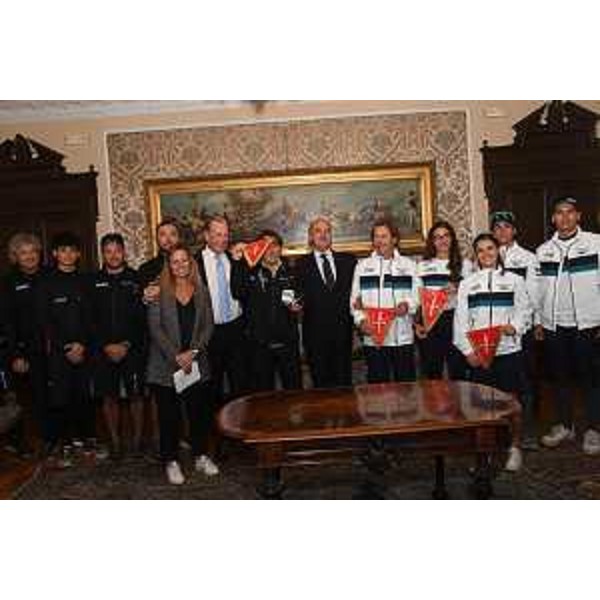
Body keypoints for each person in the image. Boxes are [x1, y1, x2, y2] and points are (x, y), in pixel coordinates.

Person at [453, 233, 530, 472]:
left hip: (508, 351)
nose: (486, 254)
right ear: (475, 256)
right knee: (482, 406)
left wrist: (514, 327)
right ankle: (486, 452)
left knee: (512, 403)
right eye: (481, 250)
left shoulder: (515, 280)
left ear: (498, 251)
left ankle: (514, 448)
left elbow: (524, 311)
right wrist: (468, 351)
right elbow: (460, 321)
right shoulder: (467, 284)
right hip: (480, 355)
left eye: (490, 248)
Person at [146, 244, 216, 485]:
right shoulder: (158, 291)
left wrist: (193, 353)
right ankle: (171, 461)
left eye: (184, 260)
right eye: (175, 261)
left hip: (196, 363)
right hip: (165, 365)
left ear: (191, 263)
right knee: (169, 417)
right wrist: (176, 356)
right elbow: (155, 328)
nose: (180, 265)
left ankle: (200, 456)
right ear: (169, 265)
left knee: (198, 414)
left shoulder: (202, 291)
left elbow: (208, 326)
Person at [535, 197, 600, 455]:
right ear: (553, 218)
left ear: (578, 216)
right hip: (554, 326)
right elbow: (537, 291)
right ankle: (565, 425)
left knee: (590, 379)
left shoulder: (595, 243)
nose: (565, 217)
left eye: (569, 212)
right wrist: (539, 321)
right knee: (559, 378)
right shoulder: (543, 251)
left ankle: (594, 430)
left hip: (588, 324)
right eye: (559, 213)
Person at [35, 232, 98, 466]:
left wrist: (82, 345)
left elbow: (92, 318)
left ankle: (87, 441)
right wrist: (66, 347)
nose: (68, 254)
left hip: (85, 351)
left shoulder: (87, 281)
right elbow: (45, 322)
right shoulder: (46, 283)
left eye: (72, 250)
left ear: (78, 254)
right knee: (61, 399)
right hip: (59, 354)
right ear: (55, 254)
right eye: (63, 250)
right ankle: (66, 444)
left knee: (85, 397)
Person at [90, 233, 146, 458]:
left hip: (132, 349)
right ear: (102, 253)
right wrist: (105, 345)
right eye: (108, 251)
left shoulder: (136, 279)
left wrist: (126, 344)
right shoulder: (93, 281)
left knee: (136, 396)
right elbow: (89, 319)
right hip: (103, 351)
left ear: (124, 252)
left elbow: (143, 317)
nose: (113, 255)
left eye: (117, 250)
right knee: (109, 397)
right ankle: (114, 443)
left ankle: (137, 443)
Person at [491, 210, 541, 448]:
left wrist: (531, 323)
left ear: (515, 230)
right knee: (498, 384)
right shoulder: (485, 255)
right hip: (494, 332)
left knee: (525, 382)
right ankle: (503, 431)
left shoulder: (529, 258)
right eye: (497, 227)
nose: (502, 231)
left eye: (507, 227)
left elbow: (533, 296)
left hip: (521, 330)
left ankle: (528, 431)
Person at [230, 230, 302, 391]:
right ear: (259, 249)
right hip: (259, 347)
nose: (270, 249)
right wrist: (239, 263)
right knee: (262, 395)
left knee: (294, 392)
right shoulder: (250, 271)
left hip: (287, 344)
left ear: (280, 248)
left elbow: (300, 295)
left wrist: (298, 303)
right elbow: (237, 292)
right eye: (265, 245)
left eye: (274, 245)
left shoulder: (291, 270)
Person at [351, 220, 419, 384]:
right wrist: (361, 321)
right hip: (374, 339)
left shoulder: (409, 265)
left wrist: (408, 306)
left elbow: (417, 296)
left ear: (394, 239)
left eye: (384, 236)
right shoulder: (362, 266)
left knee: (406, 389)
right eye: (376, 237)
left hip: (402, 337)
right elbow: (355, 300)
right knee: (377, 391)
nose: (379, 241)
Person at [295, 217, 357, 388]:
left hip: (343, 336)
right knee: (320, 389)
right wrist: (294, 304)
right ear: (310, 236)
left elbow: (357, 294)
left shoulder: (349, 261)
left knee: (344, 386)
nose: (323, 235)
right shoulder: (300, 265)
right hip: (315, 338)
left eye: (327, 231)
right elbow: (295, 295)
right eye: (318, 231)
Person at [2, 233, 48, 455]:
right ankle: (22, 443)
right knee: (24, 400)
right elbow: (7, 322)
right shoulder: (8, 282)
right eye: (23, 252)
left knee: (49, 396)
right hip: (22, 352)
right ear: (15, 256)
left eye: (33, 251)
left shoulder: (49, 276)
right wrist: (15, 355)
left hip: (49, 348)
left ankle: (51, 440)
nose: (29, 256)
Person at [196, 215, 247, 404]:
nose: (223, 239)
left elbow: (243, 292)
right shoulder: (194, 263)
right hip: (209, 333)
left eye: (226, 235)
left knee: (240, 387)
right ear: (206, 236)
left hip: (236, 330)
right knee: (212, 388)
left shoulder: (235, 259)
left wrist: (240, 262)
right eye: (218, 235)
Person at [415, 220, 472, 380]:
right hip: (430, 321)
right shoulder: (422, 266)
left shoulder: (465, 265)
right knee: (432, 371)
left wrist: (458, 287)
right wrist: (417, 323)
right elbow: (417, 298)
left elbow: (473, 294)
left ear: (452, 238)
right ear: (432, 242)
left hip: (455, 319)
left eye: (446, 235)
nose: (442, 240)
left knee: (457, 370)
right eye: (437, 237)